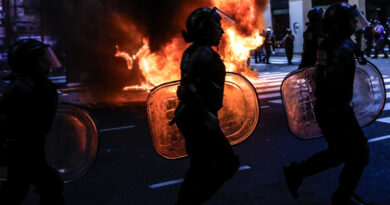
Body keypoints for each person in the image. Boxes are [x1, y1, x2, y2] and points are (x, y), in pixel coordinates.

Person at [283, 3, 370, 205]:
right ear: (341, 24)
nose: (354, 23)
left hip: (328, 107)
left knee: (341, 152)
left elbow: (320, 72)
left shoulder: (329, 43)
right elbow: (332, 78)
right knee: (359, 153)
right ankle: (341, 198)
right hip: (336, 109)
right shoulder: (341, 47)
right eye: (350, 20)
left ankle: (298, 172)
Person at [173, 8, 240, 204]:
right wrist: (206, 115)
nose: (221, 31)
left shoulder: (196, 51)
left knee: (199, 166)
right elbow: (186, 89)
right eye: (216, 26)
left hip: (194, 117)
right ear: (205, 29)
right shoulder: (201, 53)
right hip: (198, 119)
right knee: (228, 163)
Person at [0, 39, 64, 205]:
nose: (48, 64)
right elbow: (25, 124)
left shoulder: (27, 84)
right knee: (50, 185)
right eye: (43, 60)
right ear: (30, 63)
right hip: (25, 149)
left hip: (26, 149)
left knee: (17, 190)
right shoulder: (25, 88)